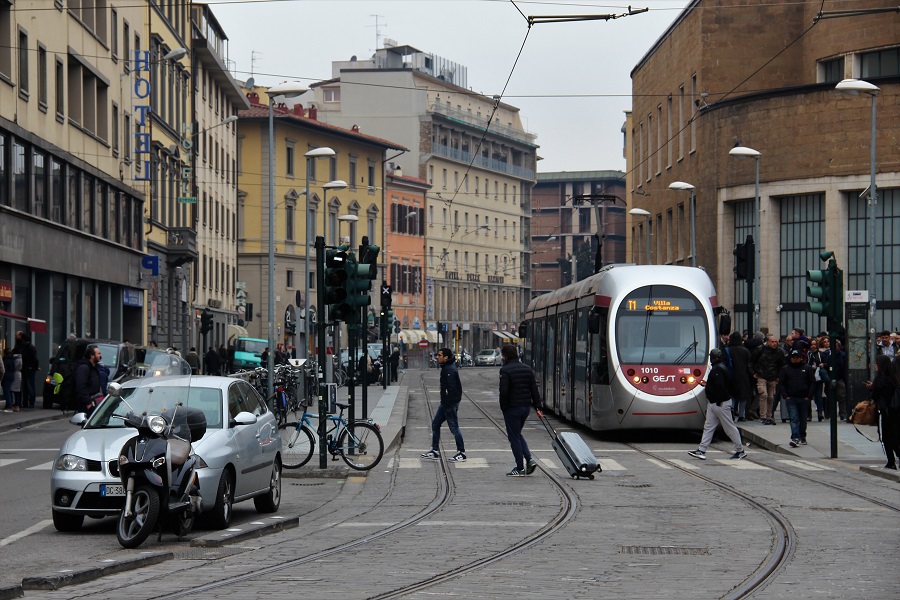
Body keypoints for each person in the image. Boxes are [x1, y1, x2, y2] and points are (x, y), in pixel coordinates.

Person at [688, 348, 746, 460]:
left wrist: (714, 394)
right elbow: (720, 385)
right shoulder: (721, 367)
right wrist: (708, 385)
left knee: (728, 427)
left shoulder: (717, 369)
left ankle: (740, 450)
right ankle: (702, 450)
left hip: (719, 403)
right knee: (709, 427)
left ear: (712, 357)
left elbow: (720, 388)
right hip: (716, 403)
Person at [498, 345, 543, 476]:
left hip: (512, 408)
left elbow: (504, 392)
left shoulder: (505, 370)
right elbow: (534, 390)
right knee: (517, 434)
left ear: (506, 356)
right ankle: (529, 461)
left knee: (513, 437)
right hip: (525, 408)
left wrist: (503, 407)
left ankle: (520, 467)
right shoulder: (527, 369)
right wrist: (538, 407)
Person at [420, 348, 466, 463]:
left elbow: (453, 389)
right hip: (446, 403)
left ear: (445, 357)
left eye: (439, 355)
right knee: (435, 424)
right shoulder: (447, 368)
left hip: (449, 404)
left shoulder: (449, 370)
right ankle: (435, 450)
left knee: (454, 427)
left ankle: (461, 452)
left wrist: (449, 403)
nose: (437, 357)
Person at [865, 355, 898, 469]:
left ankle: (891, 461)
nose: (874, 365)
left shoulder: (880, 379)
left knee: (886, 437)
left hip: (883, 410)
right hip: (892, 410)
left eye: (876, 363)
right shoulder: (892, 378)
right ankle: (892, 460)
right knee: (892, 436)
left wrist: (872, 388)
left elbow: (875, 395)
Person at [779, 349, 815, 447]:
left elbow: (812, 382)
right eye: (793, 358)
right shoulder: (785, 369)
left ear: (801, 358)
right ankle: (795, 437)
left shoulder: (807, 368)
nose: (795, 359)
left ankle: (802, 435)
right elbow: (781, 383)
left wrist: (809, 396)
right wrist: (785, 396)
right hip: (791, 398)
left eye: (797, 357)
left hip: (804, 398)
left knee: (803, 419)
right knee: (794, 418)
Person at [751, 335, 786, 425]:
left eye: (775, 342)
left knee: (770, 397)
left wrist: (779, 376)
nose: (774, 344)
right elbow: (752, 361)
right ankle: (763, 416)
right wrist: (753, 372)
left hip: (772, 376)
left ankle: (769, 415)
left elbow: (782, 364)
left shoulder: (779, 352)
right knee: (764, 394)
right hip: (762, 374)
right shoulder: (760, 350)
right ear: (768, 342)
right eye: (772, 342)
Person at [726, 332, 754, 422]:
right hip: (743, 376)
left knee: (732, 396)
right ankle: (742, 415)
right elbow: (749, 365)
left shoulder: (727, 350)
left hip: (730, 376)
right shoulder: (745, 351)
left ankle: (732, 412)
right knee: (743, 397)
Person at [73, 345, 103, 415]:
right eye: (98, 353)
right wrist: (88, 402)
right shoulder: (84, 367)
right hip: (87, 403)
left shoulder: (94, 367)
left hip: (95, 401)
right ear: (92, 356)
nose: (100, 356)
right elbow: (81, 386)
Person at [13, 332, 39, 409]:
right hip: (26, 369)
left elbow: (34, 359)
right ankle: (26, 402)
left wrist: (34, 367)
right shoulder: (27, 347)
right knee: (26, 386)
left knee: (29, 386)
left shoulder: (29, 348)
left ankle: (30, 402)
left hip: (28, 369)